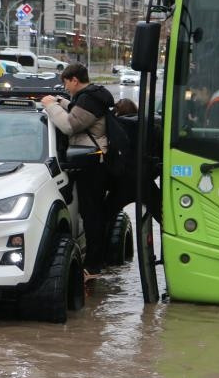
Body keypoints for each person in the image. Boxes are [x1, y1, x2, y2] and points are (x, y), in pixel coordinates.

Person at [41, 63, 114, 278]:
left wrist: (49, 106)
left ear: (74, 80)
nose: (66, 88)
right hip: (91, 163)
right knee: (93, 213)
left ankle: (93, 266)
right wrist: (61, 102)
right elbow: (77, 112)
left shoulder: (90, 98)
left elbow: (70, 126)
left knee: (91, 215)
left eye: (66, 83)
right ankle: (96, 261)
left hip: (92, 164)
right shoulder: (90, 97)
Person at [105, 99, 162, 225]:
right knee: (165, 218)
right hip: (145, 180)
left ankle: (105, 243)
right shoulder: (151, 126)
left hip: (122, 181)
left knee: (106, 217)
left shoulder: (114, 128)